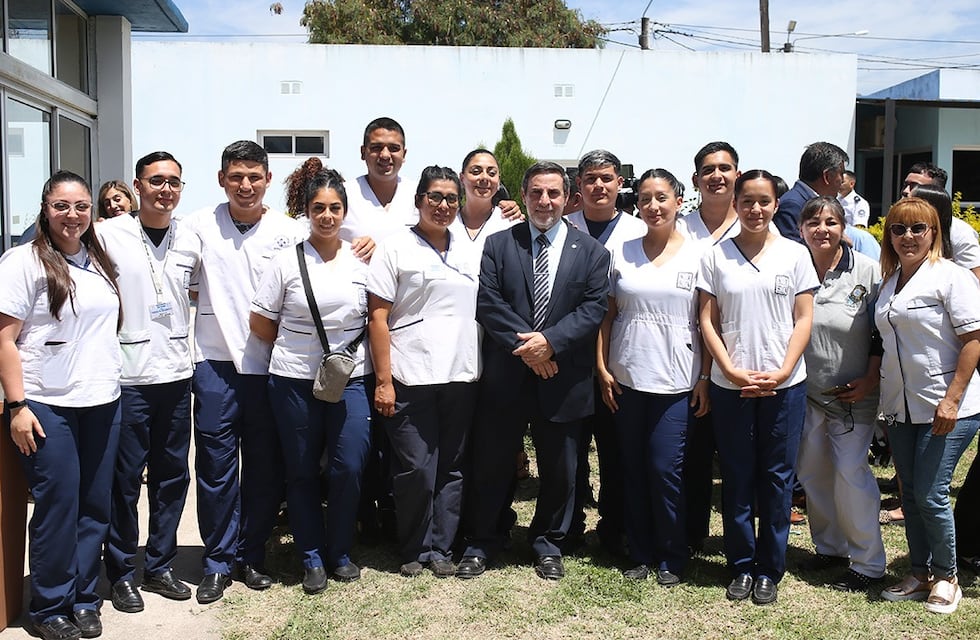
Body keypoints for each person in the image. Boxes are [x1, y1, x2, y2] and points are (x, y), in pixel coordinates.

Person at [456, 162, 609, 581]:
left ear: (567, 198)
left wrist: (550, 343)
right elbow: (488, 304)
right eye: (537, 193)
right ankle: (483, 540)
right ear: (523, 196)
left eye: (554, 194)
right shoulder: (500, 244)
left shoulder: (592, 252)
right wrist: (531, 349)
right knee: (493, 463)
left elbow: (593, 308)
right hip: (507, 375)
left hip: (563, 376)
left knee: (561, 468)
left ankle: (548, 542)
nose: (545, 201)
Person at [173, 140, 306, 604]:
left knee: (265, 470)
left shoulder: (289, 232)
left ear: (268, 179)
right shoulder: (198, 225)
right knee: (215, 469)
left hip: (272, 370)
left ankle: (251, 555)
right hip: (215, 365)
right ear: (221, 179)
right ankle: (217, 561)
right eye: (236, 177)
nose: (245, 185)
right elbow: (177, 279)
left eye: (254, 176)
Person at [0, 171, 122, 640]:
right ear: (45, 208)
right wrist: (17, 407)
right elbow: (4, 340)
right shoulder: (22, 262)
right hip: (46, 405)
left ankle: (85, 598)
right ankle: (49, 606)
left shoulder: (97, 259)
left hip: (102, 400)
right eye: (62, 206)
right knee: (58, 504)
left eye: (81, 206)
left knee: (94, 505)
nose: (73, 216)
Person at [697, 169, 819, 605]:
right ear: (736, 202)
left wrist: (785, 370)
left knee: (776, 478)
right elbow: (707, 320)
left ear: (775, 204)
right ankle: (741, 565)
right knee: (737, 475)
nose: (755, 209)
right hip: (733, 386)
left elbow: (803, 318)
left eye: (764, 201)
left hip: (784, 386)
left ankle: (770, 566)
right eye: (747, 201)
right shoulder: (715, 256)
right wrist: (728, 371)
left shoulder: (794, 254)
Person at [250, 162, 371, 594]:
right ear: (306, 211)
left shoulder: (362, 257)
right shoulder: (285, 262)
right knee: (300, 471)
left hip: (351, 380)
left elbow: (376, 317)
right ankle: (313, 558)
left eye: (335, 207)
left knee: (349, 465)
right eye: (318, 208)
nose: (327, 216)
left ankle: (340, 550)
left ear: (344, 210)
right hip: (294, 381)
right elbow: (261, 325)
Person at [366, 166, 481, 577]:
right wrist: (383, 381)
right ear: (418, 201)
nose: (444, 205)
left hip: (460, 374)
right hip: (409, 374)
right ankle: (414, 546)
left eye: (452, 198)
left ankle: (442, 548)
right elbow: (377, 317)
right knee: (416, 465)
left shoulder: (470, 249)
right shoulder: (395, 247)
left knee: (451, 465)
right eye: (435, 196)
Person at [596, 168, 709, 585]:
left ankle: (672, 554)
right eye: (645, 198)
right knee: (633, 467)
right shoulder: (621, 251)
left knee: (666, 469)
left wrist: (704, 378)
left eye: (662, 197)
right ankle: (640, 553)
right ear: (637, 204)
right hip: (626, 377)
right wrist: (603, 368)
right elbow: (607, 316)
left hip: (678, 381)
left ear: (679, 201)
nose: (654, 206)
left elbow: (707, 320)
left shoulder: (700, 254)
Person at [97, 152, 195, 614]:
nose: (165, 190)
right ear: (138, 186)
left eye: (174, 182)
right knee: (125, 479)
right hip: (127, 377)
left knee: (173, 476)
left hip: (176, 373)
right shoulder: (108, 234)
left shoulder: (191, 236)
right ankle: (120, 571)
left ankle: (160, 565)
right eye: (156, 181)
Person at [875, 197, 980, 614]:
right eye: (898, 229)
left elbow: (973, 341)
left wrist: (952, 399)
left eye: (918, 228)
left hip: (948, 405)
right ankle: (919, 572)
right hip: (901, 408)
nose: (908, 237)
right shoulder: (889, 281)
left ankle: (947, 577)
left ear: (934, 233)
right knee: (912, 491)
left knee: (933, 494)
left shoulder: (951, 278)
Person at [793, 196, 886, 592]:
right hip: (806, 393)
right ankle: (829, 548)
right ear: (801, 229)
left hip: (853, 396)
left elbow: (882, 333)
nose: (822, 230)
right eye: (813, 222)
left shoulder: (867, 271)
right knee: (814, 474)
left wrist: (870, 379)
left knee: (851, 474)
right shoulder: (794, 268)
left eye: (830, 222)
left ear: (843, 227)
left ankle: (868, 562)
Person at [564, 149, 646, 554]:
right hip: (568, 359)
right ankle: (571, 525)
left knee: (616, 450)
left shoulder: (638, 231)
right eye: (591, 179)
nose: (599, 186)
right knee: (570, 451)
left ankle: (615, 527)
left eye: (607, 178)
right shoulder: (561, 228)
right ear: (578, 185)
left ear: (619, 184)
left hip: (621, 360)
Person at [676, 141, 741, 550]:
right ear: (696, 178)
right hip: (691, 362)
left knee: (737, 461)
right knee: (694, 456)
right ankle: (693, 533)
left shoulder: (757, 225)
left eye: (725, 168)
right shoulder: (679, 228)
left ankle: (738, 541)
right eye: (708, 169)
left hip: (745, 363)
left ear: (737, 173)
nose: (717, 175)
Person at [773, 142, 848, 244]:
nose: (843, 180)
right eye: (841, 174)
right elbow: (792, 251)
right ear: (827, 176)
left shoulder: (805, 201)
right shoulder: (792, 205)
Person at [450, 148, 521, 252]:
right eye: (476, 171)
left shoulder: (511, 224)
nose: (484, 178)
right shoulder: (447, 222)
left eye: (492, 173)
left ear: (498, 180)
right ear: (462, 178)